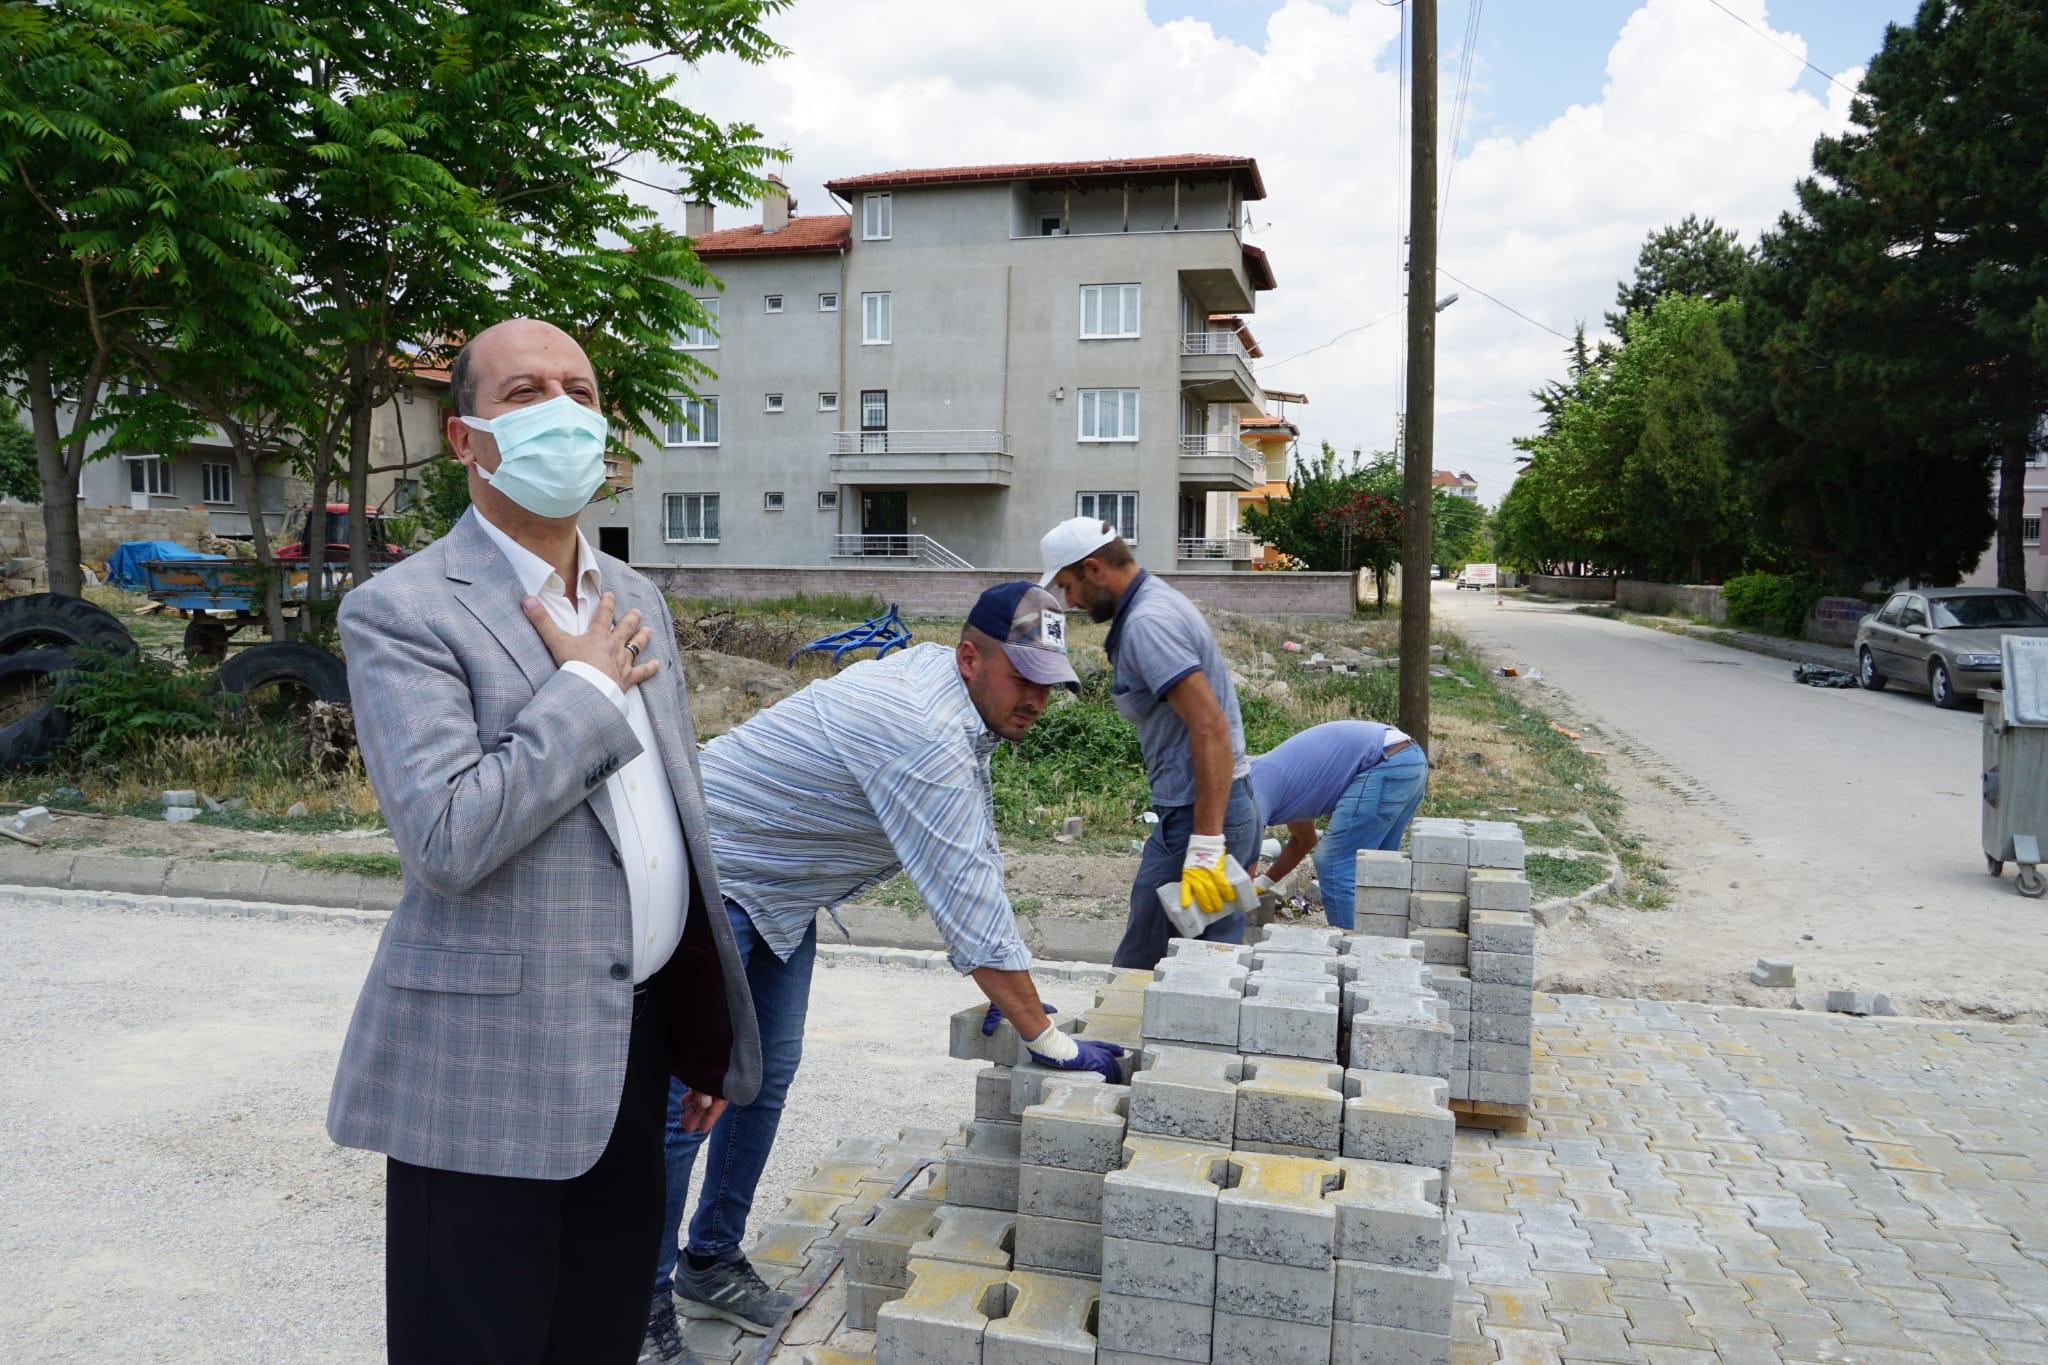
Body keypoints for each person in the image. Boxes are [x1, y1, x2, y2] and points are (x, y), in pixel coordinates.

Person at [326, 318, 762, 1365]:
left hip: (634, 1040)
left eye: (579, 389)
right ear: (463, 437)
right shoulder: (404, 610)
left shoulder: (633, 595)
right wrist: (583, 690)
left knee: (598, 1337)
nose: (561, 410)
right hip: (488, 1068)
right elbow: (446, 835)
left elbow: (669, 821)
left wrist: (698, 1015)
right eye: (525, 393)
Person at [641, 582, 1124, 1362]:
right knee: (685, 1098)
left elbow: (975, 849)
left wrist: (1014, 985)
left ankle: (710, 1259)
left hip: (782, 888)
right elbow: (962, 897)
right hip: (712, 871)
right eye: (1022, 676)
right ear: (970, 657)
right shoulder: (923, 728)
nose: (1037, 697)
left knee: (765, 1075)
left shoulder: (954, 698)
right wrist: (1049, 1037)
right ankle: (641, 1304)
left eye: (1049, 681)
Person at [1038, 517, 1260, 970]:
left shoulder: (1147, 624)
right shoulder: (1154, 602)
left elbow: (1210, 728)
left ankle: (1124, 1041)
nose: (1070, 602)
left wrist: (1205, 843)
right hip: (1208, 810)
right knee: (1197, 967)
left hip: (1200, 815)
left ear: (1094, 569)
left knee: (1155, 965)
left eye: (1067, 586)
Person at [1248, 720, 1431, 929]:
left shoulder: (1253, 786)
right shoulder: (1285, 782)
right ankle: (1382, 946)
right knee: (1375, 868)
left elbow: (1248, 850)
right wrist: (1263, 883)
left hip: (1385, 761)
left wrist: (1233, 904)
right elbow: (1303, 841)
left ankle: (1352, 952)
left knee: (1334, 861)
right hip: (1409, 761)